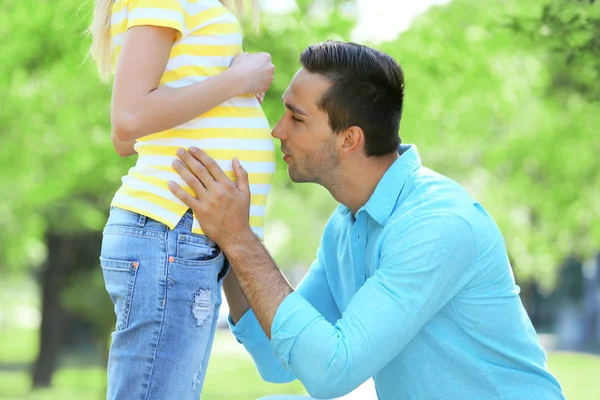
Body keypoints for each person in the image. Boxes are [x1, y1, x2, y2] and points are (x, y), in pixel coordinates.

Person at [168, 41, 566, 400]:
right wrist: (230, 233)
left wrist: (240, 239)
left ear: (349, 140)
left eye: (297, 118)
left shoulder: (438, 223)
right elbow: (280, 360)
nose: (277, 130)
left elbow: (331, 371)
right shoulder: (346, 228)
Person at [88, 0, 275, 398]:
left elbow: (127, 137)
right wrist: (235, 83)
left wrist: (226, 100)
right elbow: (128, 120)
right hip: (170, 229)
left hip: (179, 234)